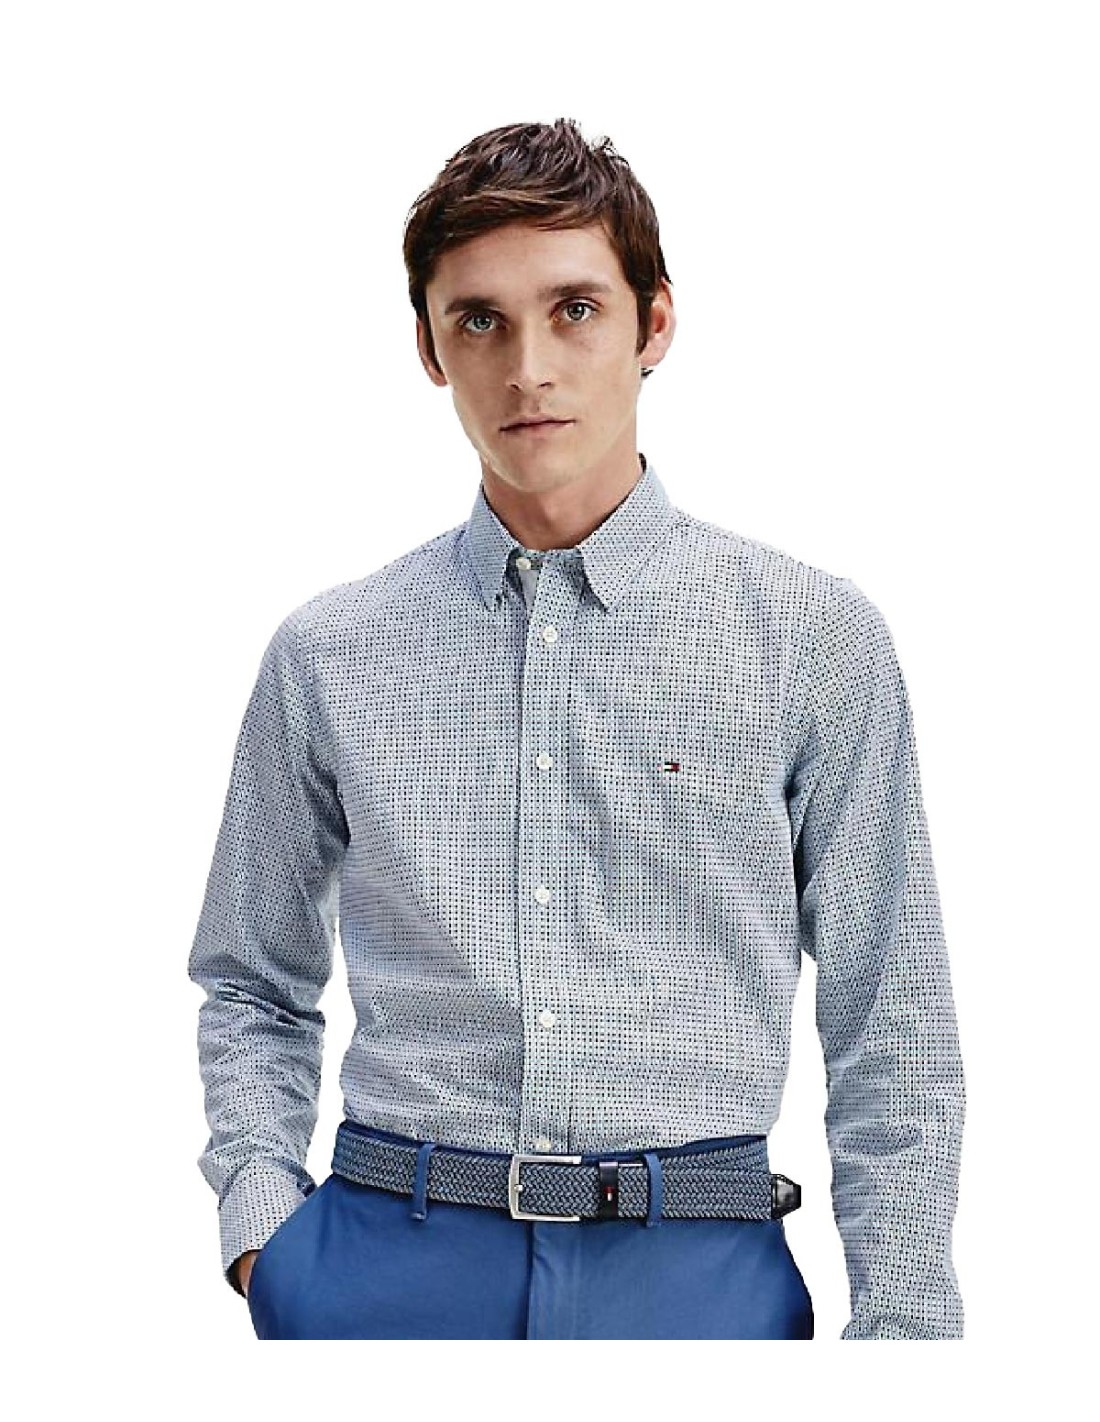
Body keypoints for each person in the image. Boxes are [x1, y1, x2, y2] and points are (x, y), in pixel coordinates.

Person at [188, 117, 966, 1340]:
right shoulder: (330, 652)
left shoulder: (808, 637)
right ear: (428, 347)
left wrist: (907, 1336)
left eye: (574, 311)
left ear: (654, 324)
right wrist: (266, 1241)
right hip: (381, 1267)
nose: (527, 369)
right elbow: (251, 979)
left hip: (696, 1273)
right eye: (478, 321)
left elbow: (890, 1014)